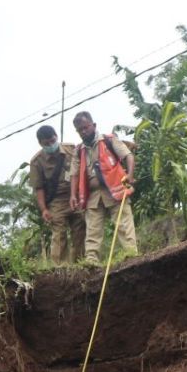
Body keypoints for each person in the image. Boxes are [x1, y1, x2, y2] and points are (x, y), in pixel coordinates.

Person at [69, 111, 138, 264]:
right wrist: (73, 195)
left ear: (93, 125)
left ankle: (131, 255)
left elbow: (128, 156)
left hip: (115, 189)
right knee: (93, 230)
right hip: (92, 195)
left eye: (86, 127)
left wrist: (130, 175)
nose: (83, 131)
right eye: (80, 130)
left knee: (123, 224)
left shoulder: (108, 140)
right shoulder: (78, 151)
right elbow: (74, 174)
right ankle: (91, 261)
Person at [28, 125, 83, 263]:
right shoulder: (36, 161)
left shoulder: (71, 149)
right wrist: (44, 209)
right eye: (47, 143)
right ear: (41, 143)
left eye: (53, 141)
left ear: (56, 137)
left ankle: (81, 265)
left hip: (75, 196)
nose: (51, 145)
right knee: (59, 235)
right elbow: (38, 188)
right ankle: (60, 269)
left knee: (80, 230)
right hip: (56, 201)